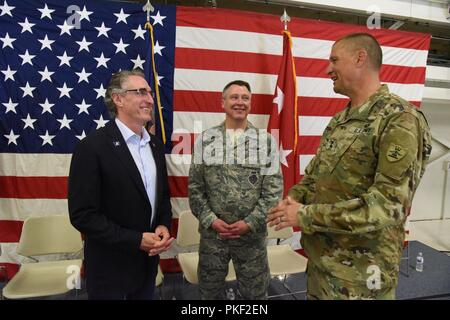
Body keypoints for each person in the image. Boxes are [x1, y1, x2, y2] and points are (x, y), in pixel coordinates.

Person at [267, 33, 432, 300]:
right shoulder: (341, 119)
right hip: (323, 264)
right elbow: (315, 177)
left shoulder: (399, 119)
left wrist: (306, 215)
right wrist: (294, 198)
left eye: (334, 60)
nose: (327, 69)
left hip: (362, 277)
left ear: (360, 58)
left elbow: (387, 205)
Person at [68, 69, 174, 300]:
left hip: (147, 266)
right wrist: (136, 240)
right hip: (110, 269)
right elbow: (83, 215)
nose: (149, 98)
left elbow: (162, 196)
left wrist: (164, 225)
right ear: (118, 99)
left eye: (149, 93)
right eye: (140, 92)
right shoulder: (92, 147)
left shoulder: (155, 145)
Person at [188, 80, 283, 299]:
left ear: (250, 103)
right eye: (234, 97)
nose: (239, 102)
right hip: (214, 237)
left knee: (254, 296)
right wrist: (211, 220)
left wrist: (250, 223)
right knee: (209, 295)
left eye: (245, 98)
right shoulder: (206, 140)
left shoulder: (265, 142)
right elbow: (195, 188)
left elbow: (273, 190)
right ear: (222, 103)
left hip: (252, 238)